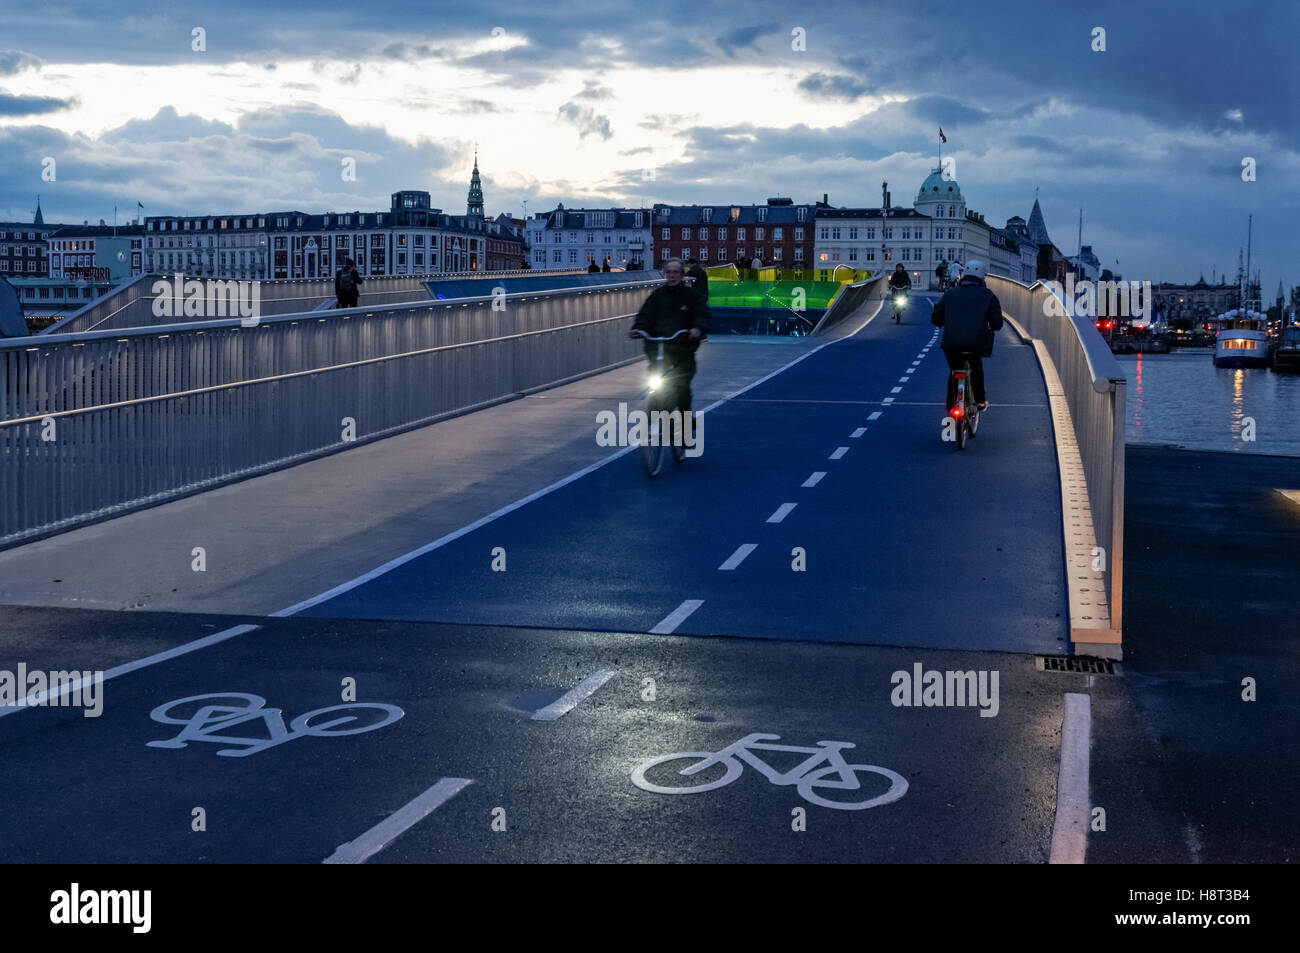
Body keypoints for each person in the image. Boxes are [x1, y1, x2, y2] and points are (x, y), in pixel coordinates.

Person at [629, 258, 708, 413]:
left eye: (675, 272)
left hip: (683, 348)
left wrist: (697, 328)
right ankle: (656, 407)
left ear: (682, 275)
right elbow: (646, 314)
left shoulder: (691, 296)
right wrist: (638, 328)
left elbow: (702, 314)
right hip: (659, 348)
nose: (672, 275)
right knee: (655, 375)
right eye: (668, 272)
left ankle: (685, 418)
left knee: (682, 385)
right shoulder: (657, 295)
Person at [930, 259, 1003, 412]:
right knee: (976, 368)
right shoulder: (989, 296)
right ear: (983, 278)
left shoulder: (950, 293)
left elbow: (936, 320)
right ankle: (980, 401)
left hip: (951, 344)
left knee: (955, 371)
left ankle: (951, 408)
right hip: (976, 344)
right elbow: (997, 324)